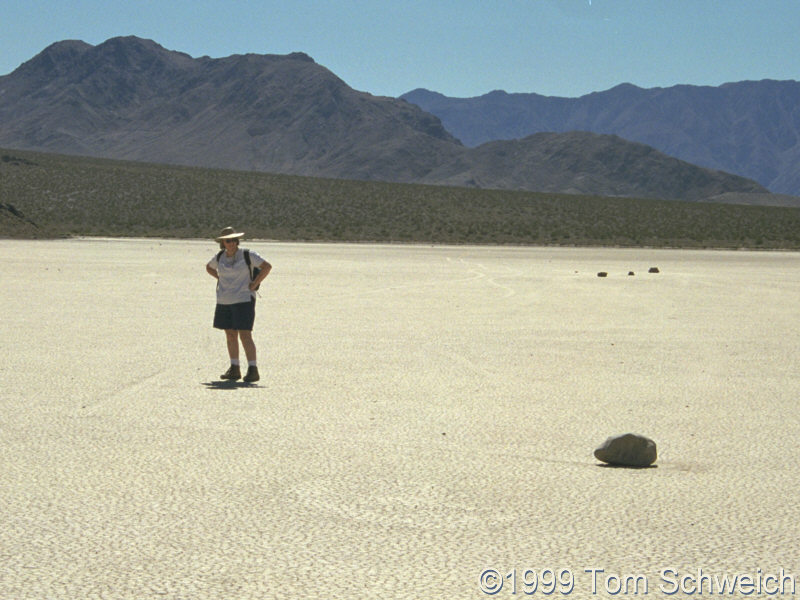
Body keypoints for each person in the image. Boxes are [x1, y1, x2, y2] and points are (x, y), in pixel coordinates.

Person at [206, 227, 272, 382]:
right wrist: (220, 279)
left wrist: (255, 283)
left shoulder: (248, 255)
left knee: (245, 334)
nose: (232, 243)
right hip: (224, 300)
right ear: (223, 243)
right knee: (230, 334)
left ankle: (253, 369)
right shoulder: (220, 257)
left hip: (243, 300)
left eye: (234, 240)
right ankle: (234, 368)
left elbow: (267, 266)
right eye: (228, 241)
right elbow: (208, 267)